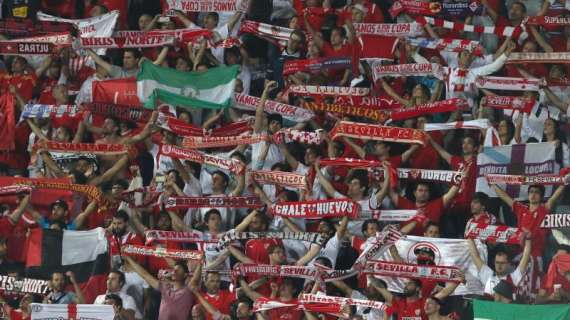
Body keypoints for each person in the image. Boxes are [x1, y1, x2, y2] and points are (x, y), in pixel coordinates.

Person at [123, 256, 194, 320]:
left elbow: (194, 279)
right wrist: (128, 258)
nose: (174, 271)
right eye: (174, 269)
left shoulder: (188, 290)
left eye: (178, 270)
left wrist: (200, 262)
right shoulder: (166, 287)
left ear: (185, 275)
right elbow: (145, 275)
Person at [467, 238, 532, 297]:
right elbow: (475, 256)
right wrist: (469, 237)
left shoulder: (514, 278)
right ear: (494, 263)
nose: (499, 265)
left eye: (502, 263)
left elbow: (526, 256)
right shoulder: (488, 275)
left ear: (508, 264)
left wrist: (528, 239)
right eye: (497, 262)